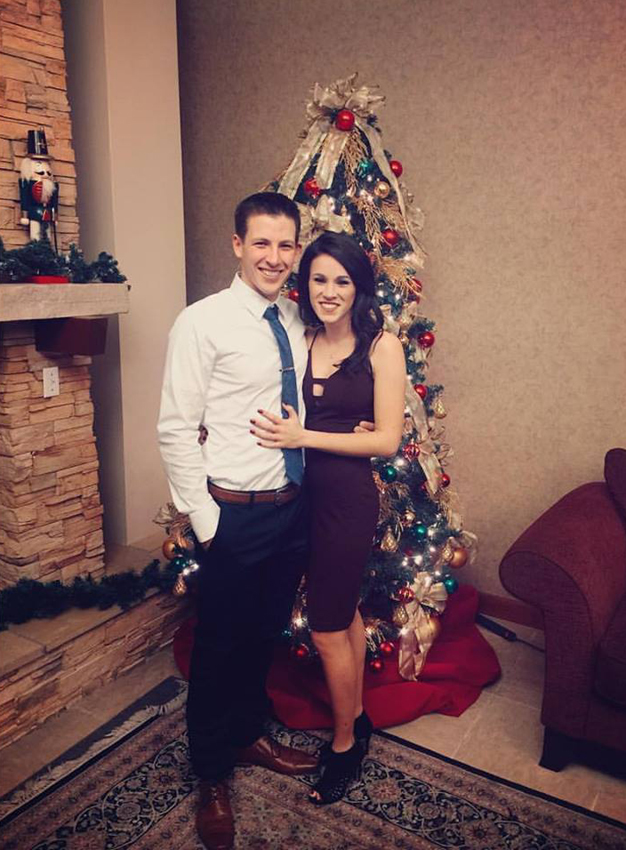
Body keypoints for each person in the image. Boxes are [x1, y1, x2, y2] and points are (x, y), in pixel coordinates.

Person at [158, 192, 315, 850]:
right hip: (233, 516)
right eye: (262, 244)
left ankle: (249, 735)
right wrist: (207, 522)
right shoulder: (203, 322)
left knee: (261, 636)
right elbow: (174, 428)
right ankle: (212, 774)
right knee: (218, 648)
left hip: (291, 511)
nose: (275, 258)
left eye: (286, 245)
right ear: (237, 246)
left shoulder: (299, 318)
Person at [250, 231, 406, 805]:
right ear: (305, 284)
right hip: (297, 498)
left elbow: (386, 440)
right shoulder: (301, 337)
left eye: (342, 280)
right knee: (344, 616)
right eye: (319, 279)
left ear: (358, 286)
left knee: (324, 626)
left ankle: (344, 746)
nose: (329, 291)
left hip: (346, 502)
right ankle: (357, 718)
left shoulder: (382, 347)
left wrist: (308, 436)